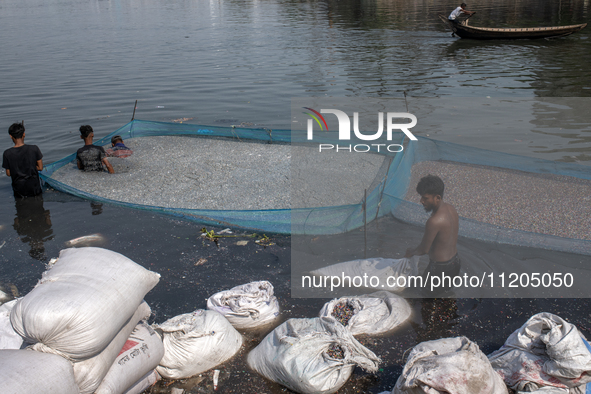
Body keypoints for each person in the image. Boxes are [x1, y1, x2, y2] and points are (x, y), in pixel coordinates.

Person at [405, 174, 460, 282]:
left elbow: (423, 249)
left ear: (437, 198)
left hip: (439, 269)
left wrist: (411, 252)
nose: (421, 201)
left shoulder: (434, 221)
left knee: (423, 297)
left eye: (425, 198)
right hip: (455, 262)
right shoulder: (451, 209)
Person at [2, 123, 44, 198]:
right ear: (24, 134)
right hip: (34, 188)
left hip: (19, 189)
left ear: (11, 136)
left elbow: (8, 173)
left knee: (21, 206)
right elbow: (40, 168)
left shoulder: (7, 153)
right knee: (38, 205)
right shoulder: (34, 149)